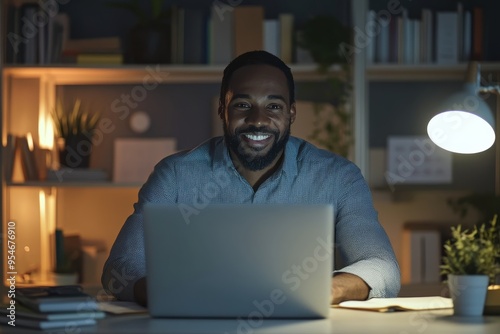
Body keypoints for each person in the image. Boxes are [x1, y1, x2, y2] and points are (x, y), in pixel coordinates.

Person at [101, 50, 401, 307]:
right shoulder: (176, 175)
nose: (258, 119)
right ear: (223, 109)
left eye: (274, 106)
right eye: (243, 105)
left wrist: (320, 290)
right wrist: (171, 293)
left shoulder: (338, 177)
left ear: (291, 113)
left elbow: (382, 267)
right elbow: (120, 269)